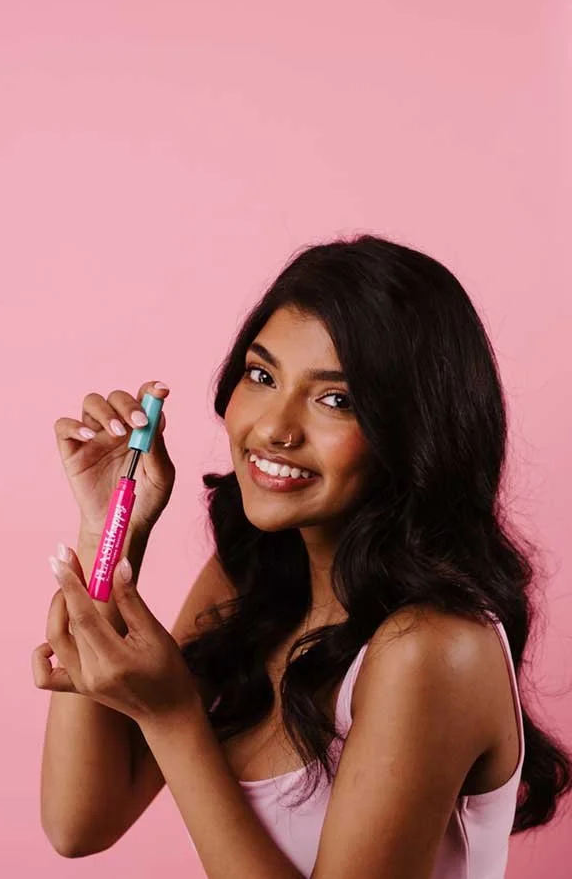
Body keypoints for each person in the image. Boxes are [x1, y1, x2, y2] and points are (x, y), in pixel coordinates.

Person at [33, 234, 571, 878]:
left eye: (335, 399)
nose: (274, 428)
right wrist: (108, 533)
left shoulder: (433, 648)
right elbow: (78, 823)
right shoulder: (253, 579)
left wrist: (175, 715)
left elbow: (156, 744)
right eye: (261, 376)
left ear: (413, 430)